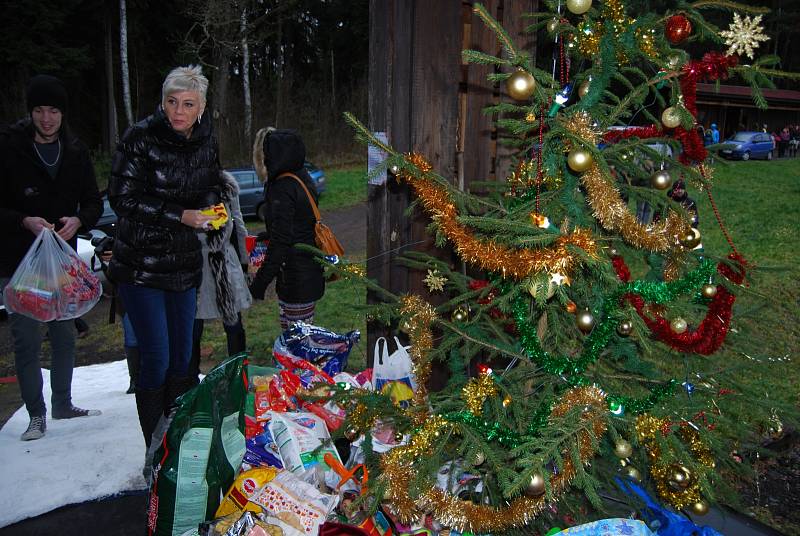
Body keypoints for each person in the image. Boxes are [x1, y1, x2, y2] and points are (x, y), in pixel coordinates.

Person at [107, 65, 220, 471]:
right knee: (155, 355)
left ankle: (180, 442)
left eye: (188, 104)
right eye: (172, 102)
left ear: (201, 108)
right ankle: (155, 452)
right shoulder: (139, 138)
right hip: (140, 265)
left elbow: (210, 182)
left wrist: (212, 205)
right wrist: (181, 215)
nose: (178, 111)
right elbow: (121, 198)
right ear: (162, 101)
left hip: (184, 264)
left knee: (184, 357)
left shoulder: (206, 140)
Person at [0, 74, 103, 441]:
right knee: (26, 339)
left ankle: (62, 402)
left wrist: (80, 220)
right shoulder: (10, 147)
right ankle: (35, 414)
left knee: (64, 335)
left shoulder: (75, 152)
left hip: (63, 265)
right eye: (40, 110)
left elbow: (93, 201)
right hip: (19, 265)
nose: (47, 118)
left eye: (54, 110)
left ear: (63, 114)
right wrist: (22, 220)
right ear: (30, 112)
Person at [249, 128, 325, 329]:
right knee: (299, 343)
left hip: (296, 279)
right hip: (307, 273)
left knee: (296, 349)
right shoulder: (301, 176)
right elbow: (298, 222)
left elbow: (282, 241)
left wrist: (260, 283)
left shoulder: (282, 187)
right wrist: (268, 234)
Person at [188, 171, 252, 383]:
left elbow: (238, 222)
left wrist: (244, 261)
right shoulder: (181, 180)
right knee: (192, 327)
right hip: (193, 265)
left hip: (224, 261)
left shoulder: (224, 184)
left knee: (233, 323)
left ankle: (238, 377)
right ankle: (189, 382)